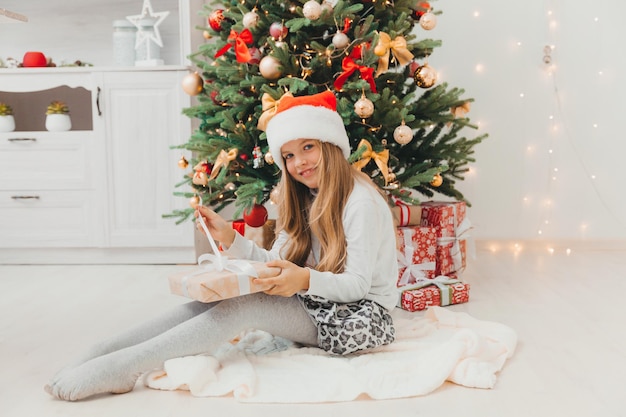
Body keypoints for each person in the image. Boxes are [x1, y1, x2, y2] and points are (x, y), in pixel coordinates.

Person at [45, 90, 399, 402]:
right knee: (213, 301)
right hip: (319, 300)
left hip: (360, 316)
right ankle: (105, 351)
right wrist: (232, 239)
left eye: (308, 147)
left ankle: (125, 366)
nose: (299, 162)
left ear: (330, 145)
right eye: (289, 155)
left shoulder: (360, 203)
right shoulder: (306, 195)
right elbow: (275, 263)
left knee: (242, 307)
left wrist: (303, 280)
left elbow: (358, 286)